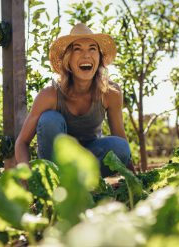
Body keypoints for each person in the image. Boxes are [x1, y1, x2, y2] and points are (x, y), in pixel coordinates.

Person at [15, 23, 134, 176]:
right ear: (68, 60)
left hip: (90, 160)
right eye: (77, 49)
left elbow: (120, 137)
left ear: (100, 57)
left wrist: (135, 181)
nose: (86, 55)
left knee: (121, 147)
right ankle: (55, 185)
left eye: (92, 49)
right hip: (56, 164)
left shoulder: (111, 93)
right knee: (49, 119)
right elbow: (21, 142)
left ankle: (83, 184)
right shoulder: (49, 95)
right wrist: (27, 177)